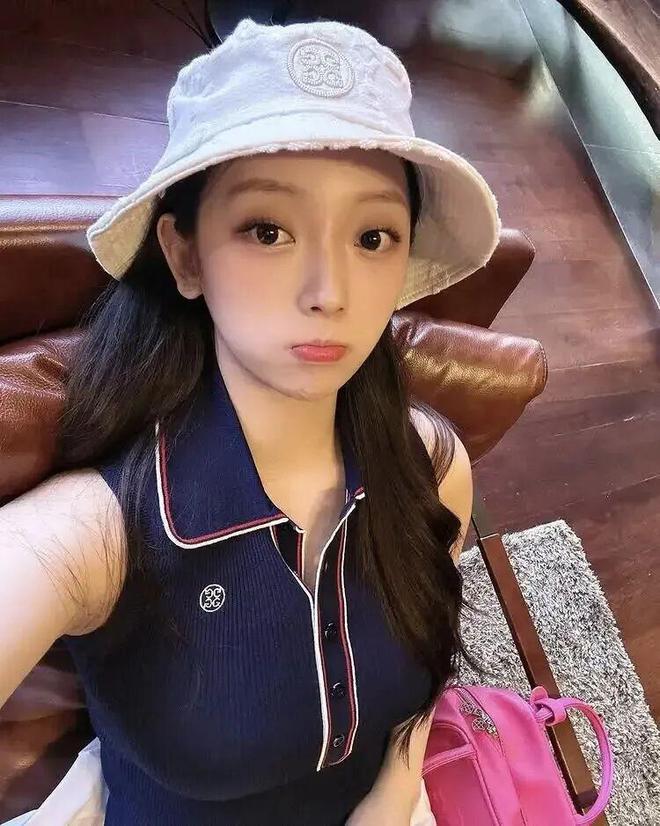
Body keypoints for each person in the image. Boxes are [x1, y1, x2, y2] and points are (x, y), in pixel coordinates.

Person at [0, 16, 500, 826]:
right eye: (268, 230)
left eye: (373, 236)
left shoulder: (433, 464)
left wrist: (395, 792)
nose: (329, 292)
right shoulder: (96, 534)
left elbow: (427, 664)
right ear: (185, 254)